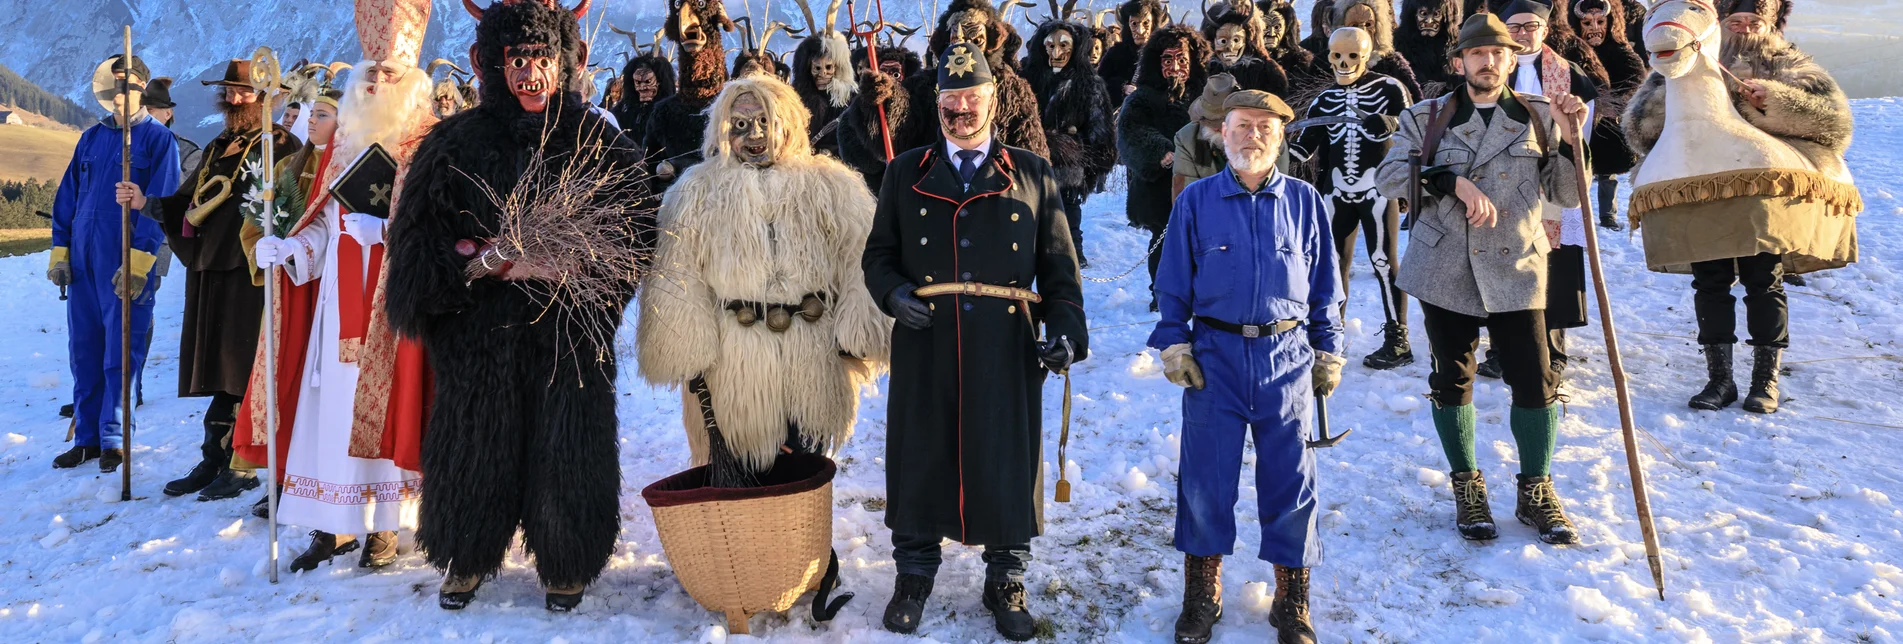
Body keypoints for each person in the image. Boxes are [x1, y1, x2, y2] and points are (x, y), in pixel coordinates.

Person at [385, 0, 650, 612]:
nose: (531, 72)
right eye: (517, 58)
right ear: (490, 63)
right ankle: (466, 554)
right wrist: (485, 264)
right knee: (475, 438)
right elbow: (416, 247)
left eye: (542, 57)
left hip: (565, 330)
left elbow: (636, 236)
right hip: (479, 331)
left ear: (567, 61)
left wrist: (581, 271)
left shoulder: (598, 142)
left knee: (569, 440)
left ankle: (567, 557)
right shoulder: (452, 144)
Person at [862, 42, 1088, 641]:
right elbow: (878, 255)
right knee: (921, 453)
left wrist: (1064, 332)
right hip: (926, 339)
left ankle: (1006, 578)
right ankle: (913, 574)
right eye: (949, 100)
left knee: (1006, 457)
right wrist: (894, 295)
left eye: (971, 99)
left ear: (994, 101)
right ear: (936, 103)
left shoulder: (1032, 173)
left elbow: (1060, 270)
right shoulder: (905, 171)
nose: (960, 110)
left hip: (1005, 342)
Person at [1373, 12, 1589, 546]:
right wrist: (1452, 181)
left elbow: (1566, 193)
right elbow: (1388, 175)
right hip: (1445, 267)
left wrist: (1570, 139)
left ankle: (1536, 489)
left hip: (1518, 265)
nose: (1488, 62)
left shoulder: (1540, 116)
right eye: (1477, 54)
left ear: (1512, 59)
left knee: (1537, 381)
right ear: (1459, 62)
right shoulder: (1425, 117)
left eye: (1498, 53)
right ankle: (1468, 487)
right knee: (1452, 380)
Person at [241, 0, 440, 573]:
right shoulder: (343, 142)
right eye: (370, 71)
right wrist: (292, 249)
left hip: (394, 302)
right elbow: (324, 225)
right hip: (335, 306)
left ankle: (381, 528)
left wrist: (392, 229)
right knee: (329, 409)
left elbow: (446, 221)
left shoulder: (428, 141)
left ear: (412, 81)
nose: (378, 80)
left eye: (390, 73)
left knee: (390, 407)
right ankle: (333, 527)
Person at [1151, 89, 1342, 644]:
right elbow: (1172, 284)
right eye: (1241, 126)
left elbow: (1327, 288)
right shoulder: (1196, 201)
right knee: (1206, 481)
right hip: (1215, 359)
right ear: (1222, 133)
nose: (1252, 136)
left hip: (1286, 359)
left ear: (1280, 136)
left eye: (1264, 126)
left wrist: (1328, 350)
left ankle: (1292, 598)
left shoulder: (1306, 201)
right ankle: (1201, 594)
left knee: (1291, 481)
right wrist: (1174, 345)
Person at [637, 72, 888, 479]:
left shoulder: (833, 186)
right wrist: (685, 348)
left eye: (765, 122)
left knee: (802, 474)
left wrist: (858, 329)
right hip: (734, 361)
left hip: (811, 355)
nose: (754, 135)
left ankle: (805, 543)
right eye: (739, 125)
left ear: (787, 122)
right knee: (738, 472)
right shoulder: (695, 191)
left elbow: (862, 258)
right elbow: (676, 273)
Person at [1624, 0, 1854, 414]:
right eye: (1736, 21)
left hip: (1763, 194)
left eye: (1754, 21)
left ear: (1769, 24)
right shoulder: (1684, 62)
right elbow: (1639, 129)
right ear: (1720, 23)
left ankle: (1765, 380)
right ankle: (1720, 379)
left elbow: (1834, 123)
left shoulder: (1790, 64)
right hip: (1701, 192)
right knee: (1709, 281)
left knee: (1763, 278)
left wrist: (1774, 102)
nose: (1746, 28)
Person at [130, 58, 300, 500]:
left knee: (245, 365)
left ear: (265, 96)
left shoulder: (282, 145)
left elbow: (295, 207)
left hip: (252, 271)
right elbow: (188, 201)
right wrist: (146, 202)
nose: (232, 98)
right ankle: (215, 458)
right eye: (228, 90)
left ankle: (242, 464)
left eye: (241, 91)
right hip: (212, 266)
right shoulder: (220, 143)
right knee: (222, 364)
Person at [47, 54, 180, 472]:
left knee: (121, 353)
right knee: (83, 351)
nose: (122, 94)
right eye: (116, 84)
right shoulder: (90, 138)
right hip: (84, 264)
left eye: (130, 86)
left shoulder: (158, 141)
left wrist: (139, 262)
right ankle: (85, 438)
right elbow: (67, 199)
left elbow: (161, 207)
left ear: (143, 88)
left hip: (124, 261)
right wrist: (60, 252)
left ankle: (114, 438)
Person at [1473, 0, 1602, 381]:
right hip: (1503, 182)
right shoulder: (1491, 73)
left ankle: (1553, 346)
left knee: (1553, 267)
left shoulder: (1572, 75)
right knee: (1504, 260)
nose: (1523, 34)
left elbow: (1584, 133)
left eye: (1531, 26)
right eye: (1513, 28)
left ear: (1545, 30)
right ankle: (1501, 348)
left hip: (1554, 185)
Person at [1289, 27, 1415, 370]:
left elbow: (1414, 126)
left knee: (1383, 260)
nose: (1344, 63)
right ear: (1329, 57)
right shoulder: (1325, 99)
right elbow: (1302, 146)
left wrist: (1389, 122)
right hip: (1336, 191)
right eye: (1337, 56)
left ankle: (1397, 339)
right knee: (1332, 263)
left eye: (1353, 56)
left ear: (1368, 55)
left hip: (1376, 188)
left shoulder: (1389, 88)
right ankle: (1330, 335)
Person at [1118, 25, 1209, 311]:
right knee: (1165, 240)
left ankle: (1203, 292)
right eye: (1167, 60)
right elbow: (1130, 130)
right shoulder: (1142, 97)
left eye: (1182, 59)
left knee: (1205, 240)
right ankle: (1163, 294)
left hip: (1204, 179)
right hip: (1160, 184)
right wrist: (1159, 150)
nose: (1175, 67)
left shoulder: (1208, 92)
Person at [1023, 17, 1118, 267]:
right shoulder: (1028, 80)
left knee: (1068, 211)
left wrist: (1085, 157)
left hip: (1070, 162)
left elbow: (1100, 128)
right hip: (1031, 161)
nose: (1056, 52)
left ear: (1075, 48)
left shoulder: (1089, 85)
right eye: (1050, 46)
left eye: (1064, 46)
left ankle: (1072, 252)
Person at [1568, 0, 1645, 230]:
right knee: (1575, 170)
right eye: (1587, 22)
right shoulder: (1571, 52)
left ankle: (1607, 214)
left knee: (1607, 174)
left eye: (1600, 21)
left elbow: (1635, 76)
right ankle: (1576, 214)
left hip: (1610, 123)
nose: (1594, 28)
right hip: (1578, 119)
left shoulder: (1619, 50)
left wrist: (1616, 101)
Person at [647, 0, 736, 189]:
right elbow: (649, 169)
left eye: (701, 4)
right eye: (679, 5)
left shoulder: (735, 107)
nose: (687, 17)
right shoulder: (664, 114)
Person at [787, 1, 857, 158]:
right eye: (817, 68)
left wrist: (832, 152)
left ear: (837, 68)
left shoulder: (850, 100)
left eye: (828, 68)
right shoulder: (795, 99)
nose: (822, 74)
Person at [1327, 0, 1426, 105]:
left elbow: (1415, 110)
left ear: (1378, 28)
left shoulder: (1393, 65)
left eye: (1368, 24)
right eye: (1354, 25)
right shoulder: (1326, 64)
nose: (1362, 30)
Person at [1172, 73, 1239, 198]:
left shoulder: (1267, 138)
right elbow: (1185, 198)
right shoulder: (1186, 138)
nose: (1214, 126)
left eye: (1223, 121)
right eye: (1208, 119)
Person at [1202, 1, 1290, 95]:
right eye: (1222, 41)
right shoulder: (1203, 70)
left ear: (1248, 41)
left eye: (1236, 40)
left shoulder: (1265, 73)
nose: (1230, 48)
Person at [1099, 0, 1162, 108]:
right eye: (1134, 24)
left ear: (1153, 24)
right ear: (1128, 25)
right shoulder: (1116, 53)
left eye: (1146, 23)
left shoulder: (1163, 54)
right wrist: (1122, 87)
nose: (1140, 31)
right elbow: (1099, 84)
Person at [1397, 0, 1465, 98]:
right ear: (1413, 15)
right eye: (1423, 14)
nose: (1429, 21)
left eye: (1436, 14)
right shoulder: (1399, 43)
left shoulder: (1456, 43)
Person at [609, 49, 675, 142]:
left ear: (660, 82)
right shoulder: (621, 112)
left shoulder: (671, 113)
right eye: (638, 82)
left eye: (648, 81)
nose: (642, 87)